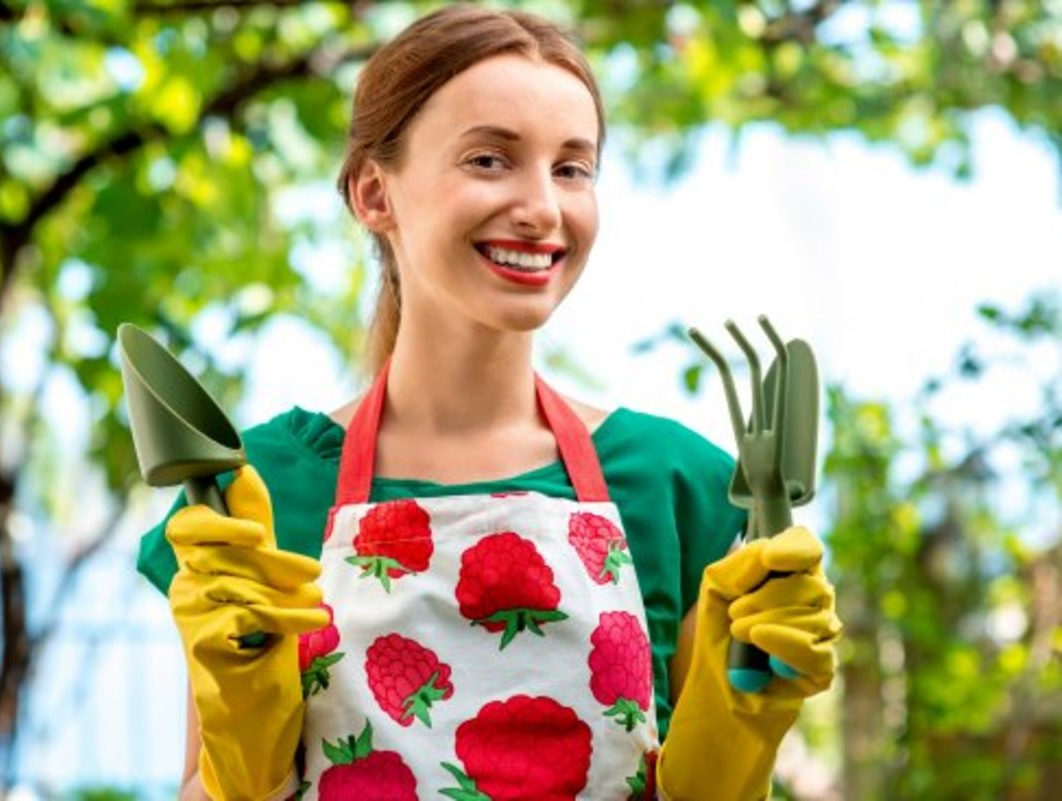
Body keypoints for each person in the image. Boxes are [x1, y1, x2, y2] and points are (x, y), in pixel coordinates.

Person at [136, 5, 842, 800]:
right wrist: (240, 726)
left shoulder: (680, 484)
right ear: (375, 193)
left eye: (572, 168)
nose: (543, 207)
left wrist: (746, 724)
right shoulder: (260, 490)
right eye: (489, 159)